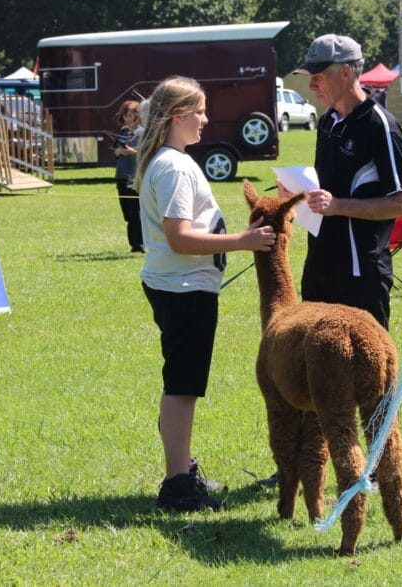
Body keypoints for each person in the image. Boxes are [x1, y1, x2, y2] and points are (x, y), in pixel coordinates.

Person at [136, 76, 276, 511]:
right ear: (177, 115)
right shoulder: (174, 167)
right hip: (183, 288)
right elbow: (180, 237)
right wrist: (243, 241)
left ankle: (181, 469)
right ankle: (178, 485)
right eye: (198, 111)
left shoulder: (169, 160)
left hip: (178, 285)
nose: (205, 119)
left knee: (182, 383)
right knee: (183, 387)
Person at [287, 33, 402, 330]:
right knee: (315, 357)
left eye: (318, 76)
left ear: (345, 73)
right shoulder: (326, 122)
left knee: (367, 361)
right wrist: (296, 194)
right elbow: (326, 190)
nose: (311, 85)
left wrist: (338, 206)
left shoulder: (381, 126)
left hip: (361, 275)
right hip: (318, 268)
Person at [113, 99, 145, 252]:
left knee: (136, 212)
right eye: (126, 115)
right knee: (127, 213)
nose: (128, 118)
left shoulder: (143, 132)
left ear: (137, 116)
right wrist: (120, 151)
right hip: (121, 176)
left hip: (135, 177)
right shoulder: (123, 132)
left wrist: (134, 152)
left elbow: (147, 152)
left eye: (131, 115)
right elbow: (115, 151)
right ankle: (133, 244)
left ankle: (139, 244)